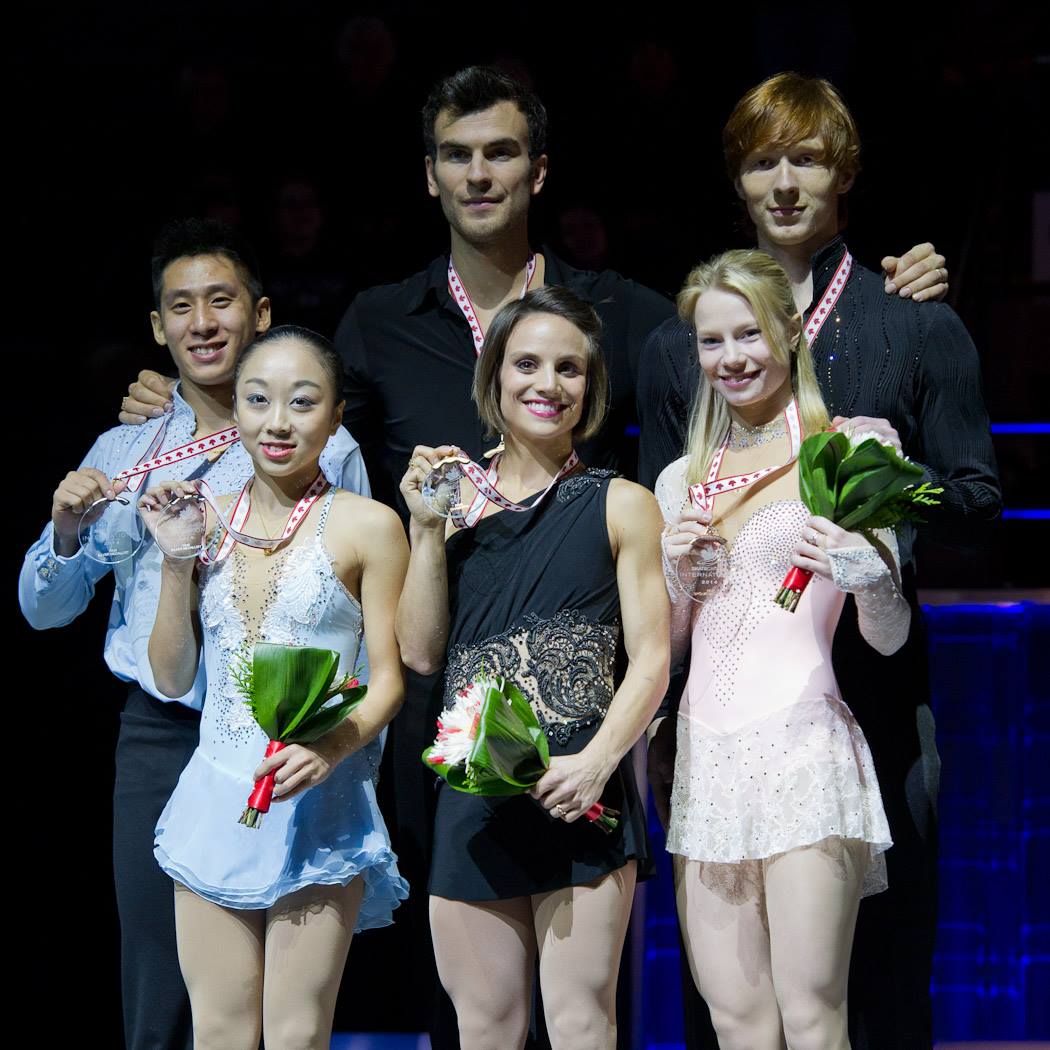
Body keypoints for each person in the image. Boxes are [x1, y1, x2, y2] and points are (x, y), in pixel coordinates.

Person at [640, 74, 1001, 1049]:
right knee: (732, 1006)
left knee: (877, 976)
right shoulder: (680, 349)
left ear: (845, 172)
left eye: (806, 158)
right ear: (738, 179)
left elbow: (976, 503)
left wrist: (879, 508)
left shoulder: (913, 320)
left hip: (869, 701)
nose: (785, 182)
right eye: (764, 161)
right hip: (720, 719)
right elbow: (652, 541)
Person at [17, 218, 370, 1050]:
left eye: (222, 301)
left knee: (284, 1005)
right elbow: (44, 610)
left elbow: (356, 623)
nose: (203, 323)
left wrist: (345, 755)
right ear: (157, 328)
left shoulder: (330, 448)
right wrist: (66, 533)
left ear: (260, 313)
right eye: (182, 307)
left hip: (280, 740)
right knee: (162, 990)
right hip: (162, 738)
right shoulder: (125, 448)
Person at [395, 285, 669, 1050]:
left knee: (583, 1025)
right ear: (493, 378)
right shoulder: (453, 509)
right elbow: (419, 653)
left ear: (592, 388)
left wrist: (598, 763)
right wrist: (424, 530)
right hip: (474, 803)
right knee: (484, 1029)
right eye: (527, 364)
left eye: (570, 369)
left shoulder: (621, 503)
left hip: (577, 794)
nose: (548, 384)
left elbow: (652, 657)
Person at [657, 248, 909, 1050]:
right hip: (707, 760)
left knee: (810, 1016)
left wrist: (868, 574)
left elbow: (889, 636)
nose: (731, 357)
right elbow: (665, 652)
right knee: (736, 1020)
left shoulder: (852, 447)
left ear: (791, 330)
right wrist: (676, 578)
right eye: (711, 341)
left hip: (803, 746)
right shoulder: (681, 479)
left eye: (749, 334)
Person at [137, 326, 408, 1049]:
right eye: (257, 400)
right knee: (219, 1033)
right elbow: (170, 676)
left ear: (336, 415)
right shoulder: (202, 516)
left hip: (319, 806)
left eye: (302, 401)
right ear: (237, 410)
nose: (277, 421)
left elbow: (388, 680)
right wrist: (174, 562)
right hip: (215, 796)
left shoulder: (368, 526)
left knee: (295, 1034)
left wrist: (330, 748)